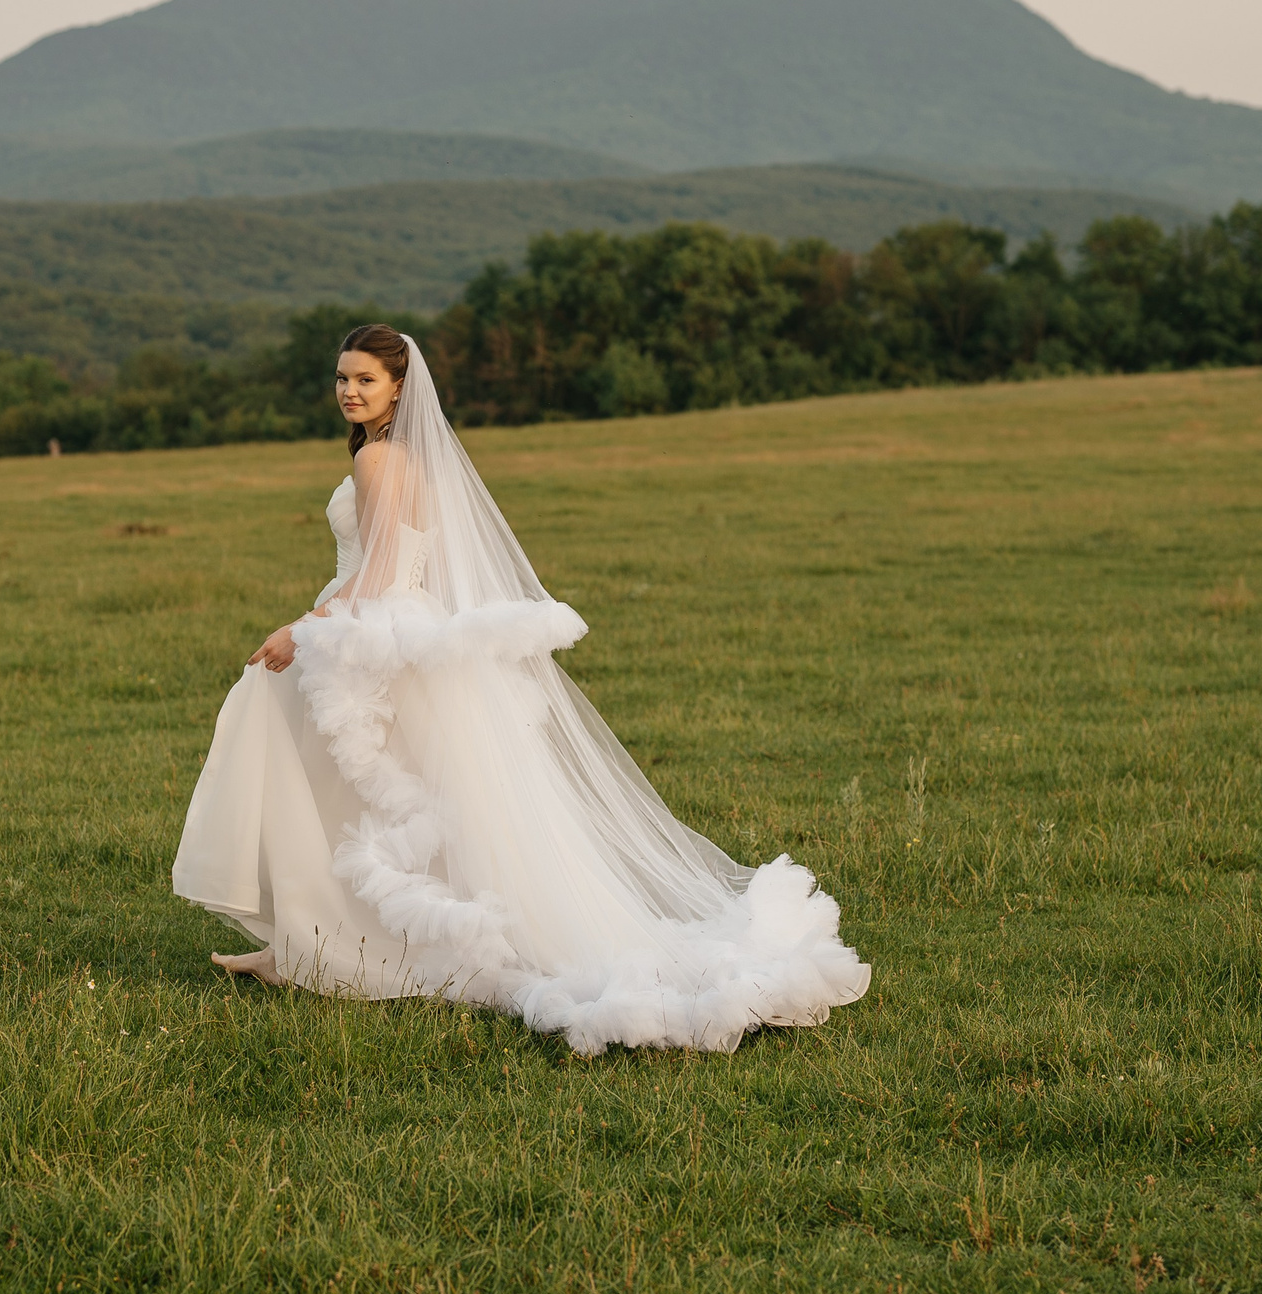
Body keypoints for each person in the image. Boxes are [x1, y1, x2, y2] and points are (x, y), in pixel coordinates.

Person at [172, 324, 870, 1054]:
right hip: (398, 626)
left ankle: (313, 945)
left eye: (365, 380)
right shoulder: (411, 456)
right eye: (342, 378)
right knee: (363, 793)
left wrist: (302, 628)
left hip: (368, 627)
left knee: (310, 765)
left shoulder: (380, 458)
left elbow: (378, 573)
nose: (349, 390)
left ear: (399, 388)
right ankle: (306, 944)